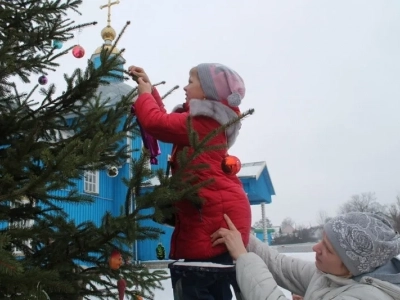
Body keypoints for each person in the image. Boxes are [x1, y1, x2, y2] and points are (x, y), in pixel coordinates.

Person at [129, 63, 251, 299]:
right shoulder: (207, 121)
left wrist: (144, 96)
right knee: (210, 286)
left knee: (194, 283)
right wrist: (150, 89)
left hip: (214, 217)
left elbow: (157, 123)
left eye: (191, 81)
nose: (185, 86)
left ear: (207, 91)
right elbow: (168, 120)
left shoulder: (206, 122)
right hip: (212, 213)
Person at [211, 212, 400, 300]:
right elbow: (281, 266)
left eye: (328, 248)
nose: (315, 248)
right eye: (322, 240)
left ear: (351, 267)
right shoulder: (334, 276)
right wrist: (243, 236)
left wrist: (244, 257)